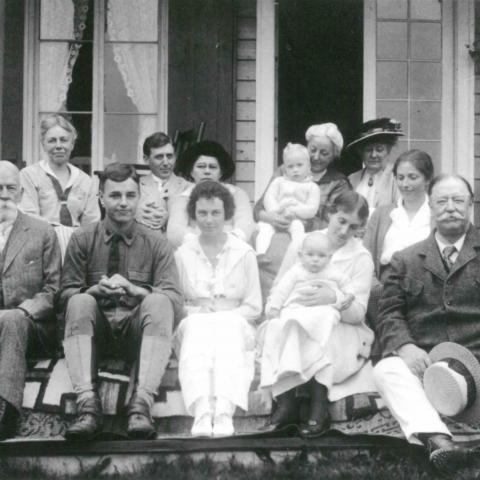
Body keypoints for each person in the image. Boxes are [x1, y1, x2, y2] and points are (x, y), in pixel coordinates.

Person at [60, 162, 183, 441]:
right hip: (95, 333)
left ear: (139, 197)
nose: (123, 203)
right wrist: (93, 291)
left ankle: (140, 407)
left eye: (130, 195)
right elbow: (64, 297)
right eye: (115, 196)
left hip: (137, 335)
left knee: (159, 301)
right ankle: (88, 408)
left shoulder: (157, 243)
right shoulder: (82, 239)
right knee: (79, 301)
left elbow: (176, 304)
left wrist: (136, 291)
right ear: (101, 198)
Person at [373, 174, 480, 469]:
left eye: (458, 200)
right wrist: (405, 346)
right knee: (387, 369)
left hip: (478, 363)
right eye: (442, 201)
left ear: (470, 205)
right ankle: (439, 441)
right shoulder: (405, 259)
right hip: (426, 364)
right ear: (430, 207)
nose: (450, 208)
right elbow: (389, 312)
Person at [260, 191, 374, 437]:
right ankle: (286, 403)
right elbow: (281, 285)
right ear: (330, 214)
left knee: (325, 327)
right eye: (341, 221)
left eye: (353, 227)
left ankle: (318, 405)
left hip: (343, 329)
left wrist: (333, 299)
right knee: (282, 327)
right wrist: (276, 309)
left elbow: (358, 313)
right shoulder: (304, 244)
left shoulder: (361, 257)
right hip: (298, 317)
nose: (344, 231)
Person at [174, 180, 262, 437]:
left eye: (216, 213)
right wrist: (198, 312)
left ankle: (224, 410)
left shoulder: (244, 253)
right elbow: (177, 303)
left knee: (226, 325)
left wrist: (225, 314)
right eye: (202, 213)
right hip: (195, 323)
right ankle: (201, 411)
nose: (209, 220)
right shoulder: (183, 253)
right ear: (193, 216)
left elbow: (254, 306)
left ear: (227, 215)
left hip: (236, 323)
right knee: (200, 325)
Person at [0, 161, 61, 439]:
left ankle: (6, 411)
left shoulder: (41, 231)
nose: (3, 195)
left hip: (32, 326)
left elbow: (54, 290)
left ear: (21, 193)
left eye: (10, 188)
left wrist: (24, 311)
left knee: (11, 319)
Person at [19, 114, 100, 256]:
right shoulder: (29, 175)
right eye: (52, 141)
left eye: (63, 140)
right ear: (43, 144)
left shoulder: (86, 181)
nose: (58, 146)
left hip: (77, 249)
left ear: (72, 144)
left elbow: (92, 223)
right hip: (40, 247)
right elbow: (29, 218)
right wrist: (60, 235)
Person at [363, 149, 434, 285]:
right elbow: (366, 256)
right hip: (385, 286)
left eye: (412, 177)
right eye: (400, 177)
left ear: (427, 179)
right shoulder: (381, 214)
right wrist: (376, 288)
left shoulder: (436, 215)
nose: (405, 184)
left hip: (426, 287)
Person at [167, 140, 255, 248]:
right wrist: (199, 243)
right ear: (191, 171)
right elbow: (174, 230)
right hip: (194, 250)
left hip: (231, 249)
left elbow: (245, 224)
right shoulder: (183, 197)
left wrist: (227, 243)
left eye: (213, 167)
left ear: (221, 172)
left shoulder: (237, 194)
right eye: (201, 166)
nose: (207, 171)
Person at [256, 143, 320, 255]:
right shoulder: (279, 182)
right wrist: (276, 210)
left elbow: (312, 209)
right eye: (290, 166)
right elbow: (269, 198)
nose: (295, 170)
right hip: (276, 216)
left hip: (295, 219)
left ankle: (296, 253)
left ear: (308, 167)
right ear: (285, 168)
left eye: (299, 165)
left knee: (298, 229)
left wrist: (294, 211)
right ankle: (261, 254)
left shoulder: (312, 187)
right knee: (264, 229)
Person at [347, 118, 404, 215]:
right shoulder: (352, 179)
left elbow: (401, 212)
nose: (373, 155)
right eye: (368, 150)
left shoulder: (398, 177)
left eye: (379, 149)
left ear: (388, 150)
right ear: (361, 152)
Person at [136, 131, 190, 231]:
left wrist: (171, 218)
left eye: (169, 156)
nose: (166, 162)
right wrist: (134, 214)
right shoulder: (136, 185)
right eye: (159, 157)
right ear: (146, 159)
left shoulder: (187, 187)